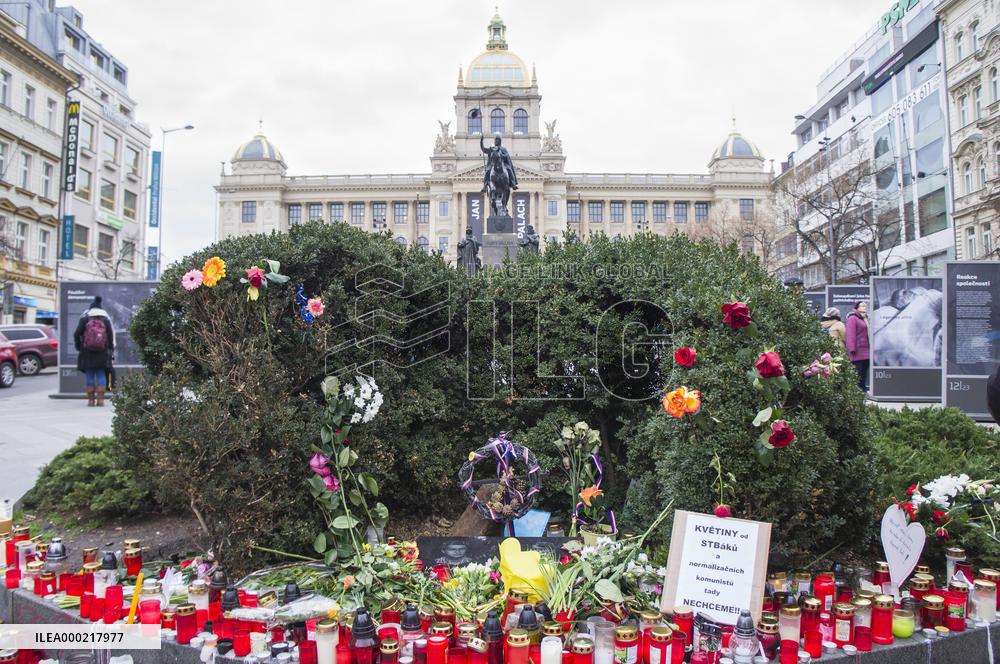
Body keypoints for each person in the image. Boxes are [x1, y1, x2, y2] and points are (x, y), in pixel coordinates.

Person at [74, 296, 114, 407]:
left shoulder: (85, 319)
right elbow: (110, 337)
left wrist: (79, 346)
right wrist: (110, 349)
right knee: (101, 373)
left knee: (90, 374)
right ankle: (101, 400)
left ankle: (91, 400)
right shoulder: (105, 320)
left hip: (87, 352)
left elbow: (77, 334)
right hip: (102, 351)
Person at [845, 301, 870, 393]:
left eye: (866, 306)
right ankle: (856, 388)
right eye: (863, 306)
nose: (865, 307)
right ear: (857, 307)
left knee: (864, 370)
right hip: (858, 350)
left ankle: (862, 386)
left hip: (867, 349)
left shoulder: (866, 318)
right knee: (858, 370)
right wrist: (852, 348)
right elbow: (850, 334)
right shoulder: (853, 318)